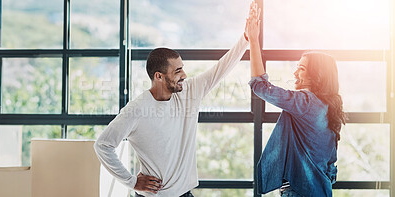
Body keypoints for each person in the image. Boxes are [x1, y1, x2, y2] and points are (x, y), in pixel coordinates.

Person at [93, 20, 250, 196]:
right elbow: (103, 145)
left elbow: (220, 68)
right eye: (177, 71)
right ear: (158, 76)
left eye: (182, 69)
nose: (184, 75)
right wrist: (132, 182)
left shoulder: (189, 92)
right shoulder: (136, 109)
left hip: (185, 193)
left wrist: (246, 38)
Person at [246, 2, 346, 197]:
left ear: (316, 75)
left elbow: (260, 86)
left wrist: (253, 40)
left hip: (300, 191)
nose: (294, 72)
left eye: (301, 68)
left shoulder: (305, 102)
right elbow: (330, 165)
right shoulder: (330, 106)